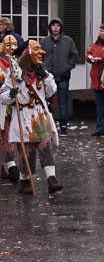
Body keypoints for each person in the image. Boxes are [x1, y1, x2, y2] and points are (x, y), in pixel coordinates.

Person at [1, 39, 63, 194]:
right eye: (37, 49)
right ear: (26, 54)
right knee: (27, 151)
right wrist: (10, 94)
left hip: (39, 115)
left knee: (45, 146)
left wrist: (46, 77)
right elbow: (2, 96)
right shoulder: (14, 75)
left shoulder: (42, 72)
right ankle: (25, 180)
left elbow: (51, 91)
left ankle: (51, 179)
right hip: (24, 117)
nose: (42, 52)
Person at [41, 18, 77, 136]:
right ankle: (47, 125)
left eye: (58, 25)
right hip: (48, 77)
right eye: (53, 25)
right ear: (50, 28)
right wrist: (43, 69)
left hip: (63, 76)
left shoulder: (68, 41)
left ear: (60, 28)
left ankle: (63, 126)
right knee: (47, 102)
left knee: (62, 102)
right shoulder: (44, 41)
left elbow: (74, 55)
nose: (55, 28)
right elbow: (39, 56)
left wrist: (67, 67)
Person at [1, 33, 23, 182]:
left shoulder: (17, 61)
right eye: (9, 45)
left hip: (13, 105)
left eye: (14, 45)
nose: (12, 48)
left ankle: (10, 163)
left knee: (10, 134)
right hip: (2, 102)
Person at [86, 25, 104, 137]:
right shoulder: (96, 44)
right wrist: (90, 58)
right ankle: (100, 127)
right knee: (100, 106)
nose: (100, 33)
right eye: (99, 30)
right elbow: (89, 53)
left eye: (102, 31)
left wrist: (101, 59)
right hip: (96, 79)